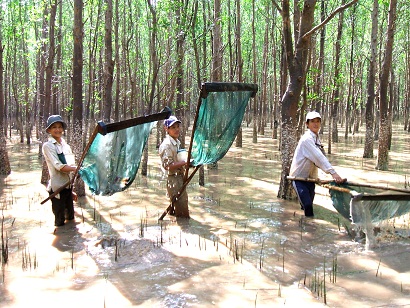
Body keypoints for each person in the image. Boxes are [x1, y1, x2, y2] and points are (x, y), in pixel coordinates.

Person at [289, 111, 345, 217]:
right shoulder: (307, 140)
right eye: (312, 121)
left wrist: (326, 175)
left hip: (311, 179)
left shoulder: (316, 138)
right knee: (308, 205)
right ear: (307, 124)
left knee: (307, 206)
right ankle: (308, 229)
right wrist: (333, 173)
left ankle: (305, 224)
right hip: (298, 179)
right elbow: (318, 157)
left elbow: (321, 158)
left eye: (318, 121)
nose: (316, 124)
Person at [42, 115, 78, 227]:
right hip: (57, 190)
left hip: (67, 187)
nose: (57, 130)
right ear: (49, 130)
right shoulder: (48, 146)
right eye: (54, 127)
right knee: (60, 222)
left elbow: (70, 165)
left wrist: (70, 190)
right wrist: (75, 169)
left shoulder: (65, 145)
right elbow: (59, 166)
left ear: (63, 129)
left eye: (59, 127)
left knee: (71, 218)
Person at [158, 115, 190, 218]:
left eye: (177, 126)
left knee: (177, 210)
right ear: (166, 129)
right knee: (183, 215)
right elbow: (168, 165)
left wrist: (187, 163)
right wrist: (185, 162)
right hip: (173, 180)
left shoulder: (175, 142)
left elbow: (177, 160)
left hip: (179, 177)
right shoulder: (166, 145)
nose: (177, 129)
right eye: (173, 127)